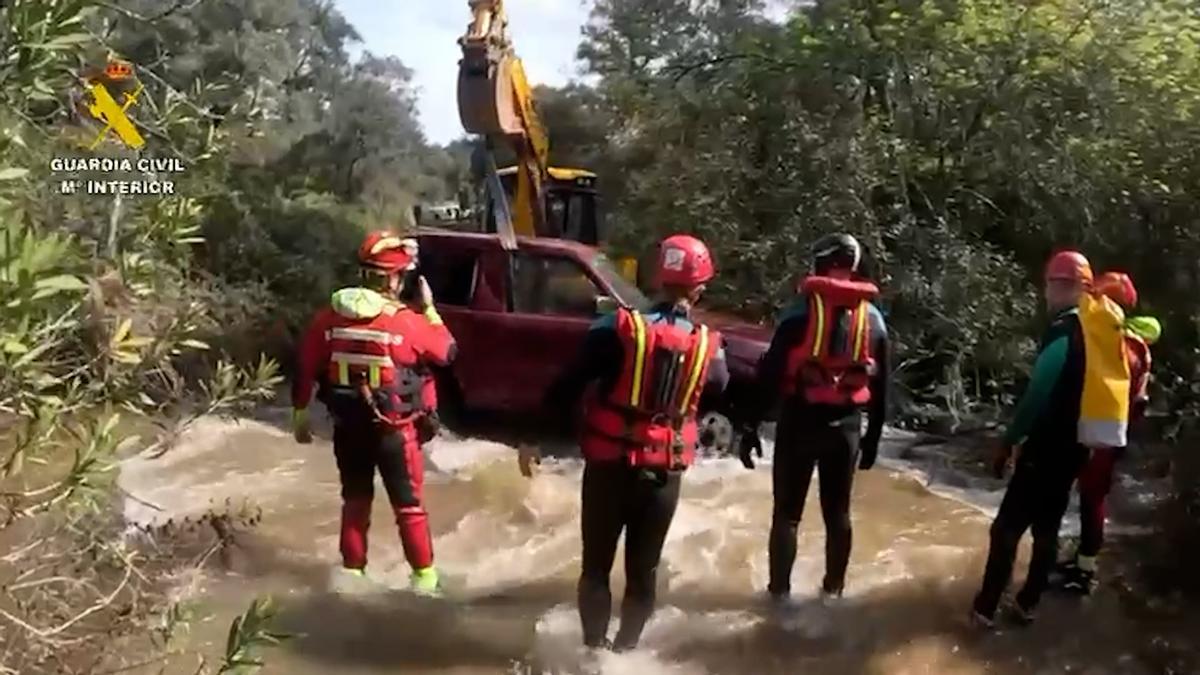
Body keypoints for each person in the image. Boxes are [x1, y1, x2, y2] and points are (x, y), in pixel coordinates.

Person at [525, 234, 729, 652]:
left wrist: (534, 439)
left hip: (609, 465)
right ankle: (625, 654)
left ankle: (593, 652)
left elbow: (567, 385)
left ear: (656, 277)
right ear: (700, 287)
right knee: (643, 573)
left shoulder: (617, 329)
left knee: (596, 569)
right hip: (663, 473)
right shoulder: (710, 345)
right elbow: (719, 389)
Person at [291, 230, 457, 595]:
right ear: (393, 278)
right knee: (409, 508)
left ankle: (352, 577)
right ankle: (425, 582)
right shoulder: (405, 321)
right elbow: (447, 352)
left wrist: (300, 415)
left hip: (348, 429)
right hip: (394, 431)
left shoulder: (327, 318)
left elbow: (304, 367)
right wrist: (429, 309)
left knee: (355, 500)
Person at [735, 232, 890, 604]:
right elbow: (883, 385)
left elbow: (769, 377)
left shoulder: (798, 315)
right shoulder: (874, 320)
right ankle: (833, 594)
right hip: (848, 427)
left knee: (787, 516)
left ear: (821, 264)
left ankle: (778, 599)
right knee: (838, 514)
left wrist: (750, 426)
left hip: (800, 421)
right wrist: (873, 438)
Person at [970, 250, 1094, 628]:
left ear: (1064, 286)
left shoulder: (1064, 330)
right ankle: (1028, 604)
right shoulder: (1098, 328)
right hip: (1078, 445)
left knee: (1006, 527)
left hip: (1047, 444)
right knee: (1048, 526)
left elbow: (1039, 392)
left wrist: (1009, 439)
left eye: (1049, 285)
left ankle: (985, 609)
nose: (1045, 294)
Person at [1057, 271, 1160, 594]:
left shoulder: (1116, 347)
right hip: (1116, 432)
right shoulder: (1141, 350)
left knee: (1087, 500)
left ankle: (1083, 571)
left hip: (1097, 429)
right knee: (1092, 499)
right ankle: (1083, 562)